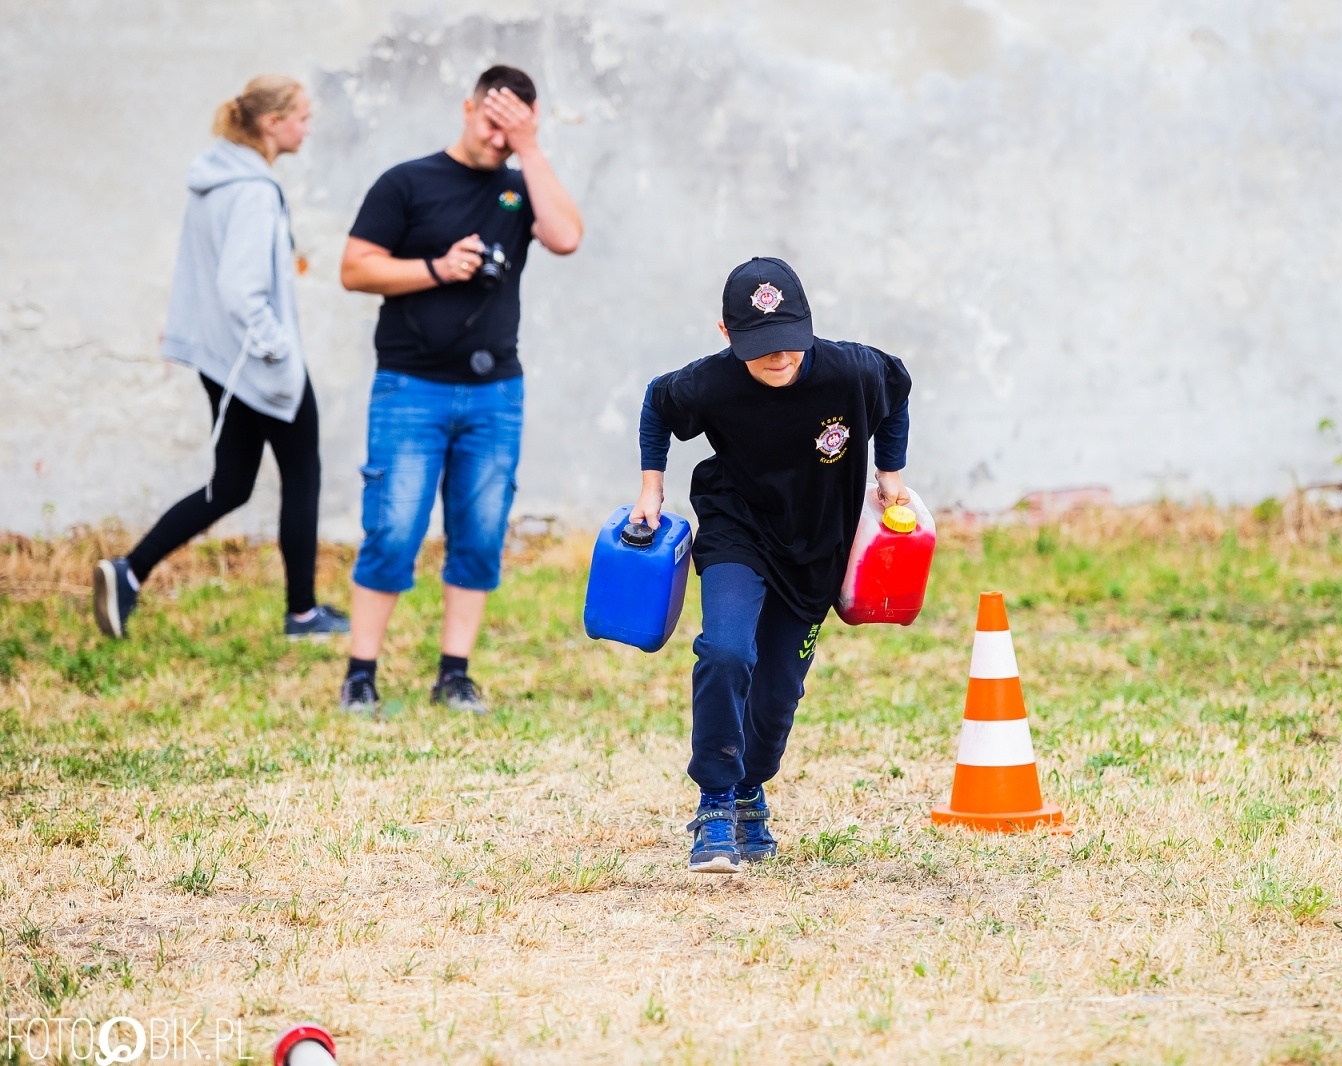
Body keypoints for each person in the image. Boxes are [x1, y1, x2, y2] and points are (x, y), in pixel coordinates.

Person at [633, 257, 912, 873]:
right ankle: (713, 803)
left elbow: (897, 390)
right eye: (761, 349)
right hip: (738, 529)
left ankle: (749, 790)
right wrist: (652, 488)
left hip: (817, 544)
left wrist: (889, 473)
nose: (779, 359)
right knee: (727, 650)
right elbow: (657, 404)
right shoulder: (711, 384)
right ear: (727, 335)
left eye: (789, 343)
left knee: (779, 692)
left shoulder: (852, 370)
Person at [337, 65, 583, 714]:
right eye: (491, 123)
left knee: (478, 533)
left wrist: (530, 150)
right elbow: (354, 268)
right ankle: (360, 674)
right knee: (392, 530)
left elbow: (566, 237)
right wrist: (438, 269)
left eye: (514, 131)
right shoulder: (407, 182)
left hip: (494, 393)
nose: (498, 140)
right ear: (467, 106)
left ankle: (454, 674)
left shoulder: (520, 183)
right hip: (409, 387)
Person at [93, 75, 347, 642]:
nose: (308, 126)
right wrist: (278, 349)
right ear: (271, 123)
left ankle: (129, 572)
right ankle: (302, 614)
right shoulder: (254, 191)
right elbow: (239, 288)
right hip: (258, 366)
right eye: (302, 116)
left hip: (222, 364)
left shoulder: (216, 178)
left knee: (232, 484)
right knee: (302, 474)